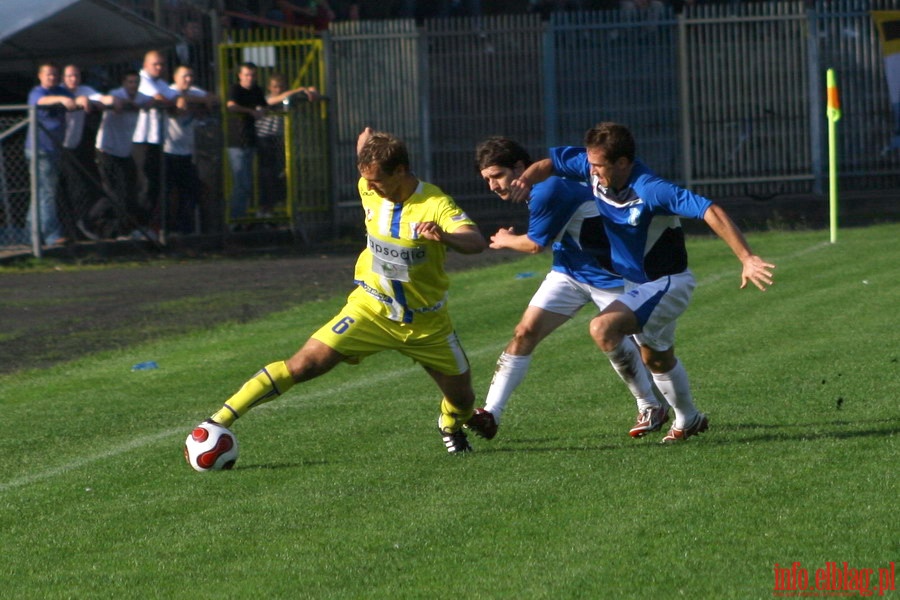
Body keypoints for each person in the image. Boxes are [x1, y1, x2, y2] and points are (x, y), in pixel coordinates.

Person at [191, 127, 488, 457]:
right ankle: (217, 422)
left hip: (426, 323)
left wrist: (446, 237)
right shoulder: (369, 187)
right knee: (304, 364)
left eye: (377, 181)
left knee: (463, 399)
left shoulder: (435, 204)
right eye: (367, 180)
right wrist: (366, 140)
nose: (369, 187)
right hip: (370, 309)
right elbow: (366, 154)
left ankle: (450, 423)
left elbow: (475, 241)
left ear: (401, 171)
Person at [508, 122, 776, 443]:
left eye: (598, 165)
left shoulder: (651, 189)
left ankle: (648, 405)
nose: (590, 170)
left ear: (623, 163)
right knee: (657, 358)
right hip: (636, 286)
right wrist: (525, 179)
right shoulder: (591, 168)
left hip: (668, 283)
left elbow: (710, 210)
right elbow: (551, 164)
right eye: (589, 163)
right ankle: (689, 418)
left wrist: (746, 258)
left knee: (602, 328)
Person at [466, 136, 666, 441]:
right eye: (487, 179)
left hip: (612, 277)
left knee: (640, 347)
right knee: (525, 332)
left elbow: (534, 245)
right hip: (569, 272)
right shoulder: (543, 187)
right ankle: (490, 413)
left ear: (520, 167)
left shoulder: (549, 189)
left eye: (497, 176)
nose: (493, 185)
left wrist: (505, 239)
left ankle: (653, 406)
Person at [85, 71, 154, 240]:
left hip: (124, 151)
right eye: (130, 82)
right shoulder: (117, 94)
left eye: (136, 82)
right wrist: (119, 102)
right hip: (107, 150)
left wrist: (148, 103)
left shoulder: (140, 96)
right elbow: (104, 99)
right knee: (113, 193)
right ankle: (89, 220)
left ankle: (123, 229)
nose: (133, 85)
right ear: (124, 83)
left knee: (129, 192)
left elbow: (154, 100)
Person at [25, 63, 86, 246]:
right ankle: (51, 235)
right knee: (46, 193)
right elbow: (39, 102)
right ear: (40, 76)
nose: (52, 78)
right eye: (48, 75)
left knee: (42, 192)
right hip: (40, 149)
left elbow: (75, 100)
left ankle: (32, 234)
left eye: (54, 75)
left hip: (55, 148)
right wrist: (61, 99)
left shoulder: (61, 91)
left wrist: (83, 100)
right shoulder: (38, 92)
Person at [255, 73, 320, 218]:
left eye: (281, 87)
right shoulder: (266, 99)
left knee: (282, 174)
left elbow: (312, 91)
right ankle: (264, 208)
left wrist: (310, 90)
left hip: (281, 139)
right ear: (269, 88)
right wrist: (300, 90)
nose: (278, 89)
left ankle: (280, 207)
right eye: (275, 87)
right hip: (265, 140)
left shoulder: (288, 99)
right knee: (266, 175)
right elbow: (272, 101)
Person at [164, 65, 217, 235]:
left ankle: (185, 229)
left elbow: (213, 98)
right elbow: (175, 102)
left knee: (191, 192)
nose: (188, 80)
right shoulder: (170, 91)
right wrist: (189, 100)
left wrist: (195, 101)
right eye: (184, 76)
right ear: (175, 78)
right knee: (168, 193)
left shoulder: (194, 91)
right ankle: (167, 228)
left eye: (191, 76)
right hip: (169, 150)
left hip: (187, 152)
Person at [133, 50, 179, 236]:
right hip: (141, 140)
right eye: (155, 64)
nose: (159, 68)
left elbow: (174, 96)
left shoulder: (160, 82)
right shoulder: (143, 81)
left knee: (156, 185)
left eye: (161, 64)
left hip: (156, 140)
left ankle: (154, 226)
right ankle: (141, 226)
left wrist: (178, 99)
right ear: (145, 65)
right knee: (145, 184)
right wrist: (174, 101)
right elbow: (164, 99)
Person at [59, 64, 104, 242]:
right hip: (57, 147)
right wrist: (73, 101)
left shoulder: (84, 90)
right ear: (63, 78)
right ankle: (65, 230)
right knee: (60, 191)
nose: (73, 79)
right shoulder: (59, 90)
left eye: (76, 76)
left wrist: (89, 101)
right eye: (69, 76)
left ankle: (79, 228)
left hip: (74, 148)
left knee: (80, 189)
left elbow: (103, 99)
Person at [226, 62, 268, 225]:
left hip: (251, 140)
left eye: (252, 75)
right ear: (240, 76)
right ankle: (235, 220)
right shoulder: (235, 90)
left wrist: (261, 111)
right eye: (246, 75)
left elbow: (263, 107)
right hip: (236, 141)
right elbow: (231, 106)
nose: (250, 78)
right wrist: (251, 111)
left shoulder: (257, 90)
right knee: (240, 182)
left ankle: (242, 218)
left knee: (247, 183)